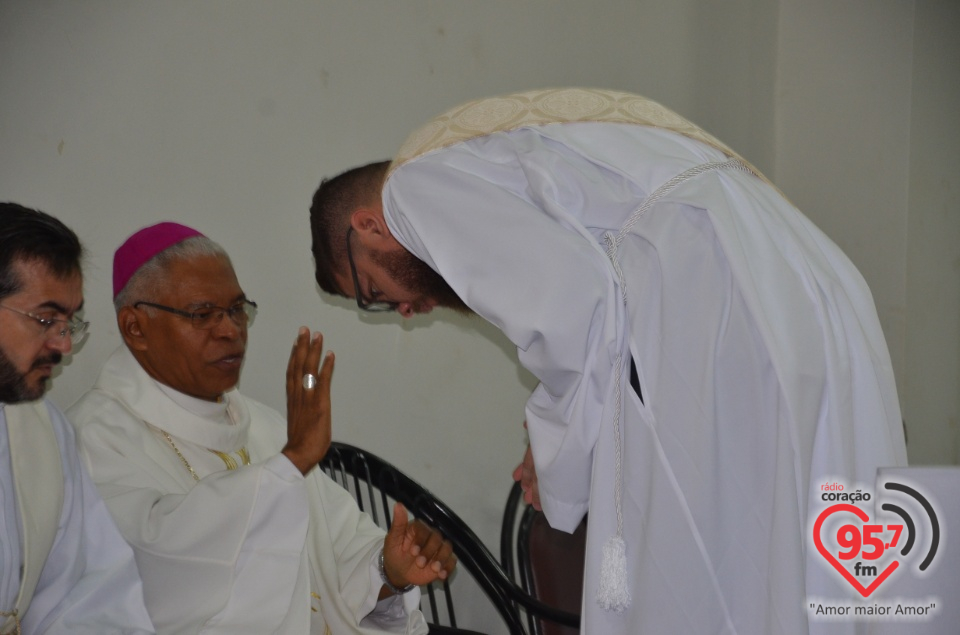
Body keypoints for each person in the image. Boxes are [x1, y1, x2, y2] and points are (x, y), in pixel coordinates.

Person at [308, 88, 909, 634]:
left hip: (710, 293)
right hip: (796, 282)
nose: (402, 309)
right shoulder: (474, 156)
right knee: (811, 523)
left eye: (372, 294)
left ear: (370, 226)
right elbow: (587, 310)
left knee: (721, 554)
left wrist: (554, 456)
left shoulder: (414, 188)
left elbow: (574, 309)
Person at [67, 222, 455, 635]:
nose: (230, 330)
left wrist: (389, 567)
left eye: (237, 309)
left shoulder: (262, 424)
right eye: (202, 315)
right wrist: (289, 464)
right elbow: (155, 569)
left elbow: (341, 549)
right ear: (135, 327)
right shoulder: (91, 439)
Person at [0, 203, 155, 635]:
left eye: (70, 322)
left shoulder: (43, 429)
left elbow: (87, 590)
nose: (64, 345)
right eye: (47, 319)